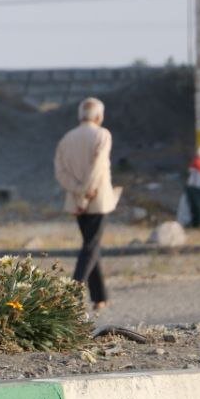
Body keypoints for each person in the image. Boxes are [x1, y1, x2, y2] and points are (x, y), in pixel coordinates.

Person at [54, 97, 118, 312]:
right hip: (97, 200)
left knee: (91, 246)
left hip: (76, 202)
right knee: (90, 247)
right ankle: (72, 293)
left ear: (80, 115)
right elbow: (98, 168)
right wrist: (86, 193)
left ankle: (100, 298)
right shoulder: (103, 135)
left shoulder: (66, 138)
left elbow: (60, 171)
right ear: (99, 116)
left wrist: (77, 194)